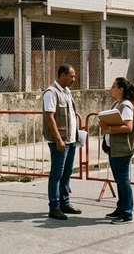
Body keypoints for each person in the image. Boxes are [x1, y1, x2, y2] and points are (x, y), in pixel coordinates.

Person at [42, 64, 80, 221]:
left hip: (70, 140)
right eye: (71, 76)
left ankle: (65, 203)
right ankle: (54, 206)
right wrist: (58, 139)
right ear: (63, 75)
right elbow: (50, 117)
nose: (73, 79)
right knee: (56, 174)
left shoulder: (67, 91)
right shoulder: (51, 93)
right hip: (60, 141)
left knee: (67, 173)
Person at [99, 77, 134, 225]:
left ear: (121, 89)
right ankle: (121, 208)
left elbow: (128, 127)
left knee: (123, 181)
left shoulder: (126, 105)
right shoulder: (117, 104)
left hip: (122, 148)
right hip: (114, 148)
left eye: (114, 86)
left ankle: (127, 213)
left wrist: (108, 128)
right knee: (120, 181)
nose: (111, 88)